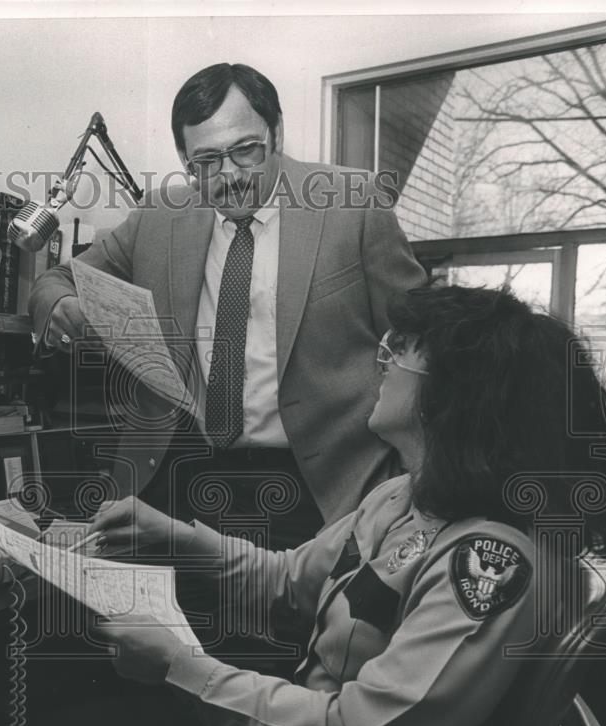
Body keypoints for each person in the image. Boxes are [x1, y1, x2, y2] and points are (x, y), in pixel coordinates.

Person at [85, 285, 606, 726]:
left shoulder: (492, 560)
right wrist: (175, 537)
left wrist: (180, 668)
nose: (382, 365)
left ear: (457, 394)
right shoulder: (403, 498)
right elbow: (290, 582)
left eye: (403, 351)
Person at [29, 63, 427, 553]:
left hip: (321, 487)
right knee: (164, 628)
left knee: (291, 626)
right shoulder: (159, 215)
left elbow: (422, 345)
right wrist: (62, 304)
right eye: (207, 161)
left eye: (246, 151)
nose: (229, 175)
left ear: (276, 133)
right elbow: (56, 279)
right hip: (178, 475)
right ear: (183, 157)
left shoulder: (354, 205)